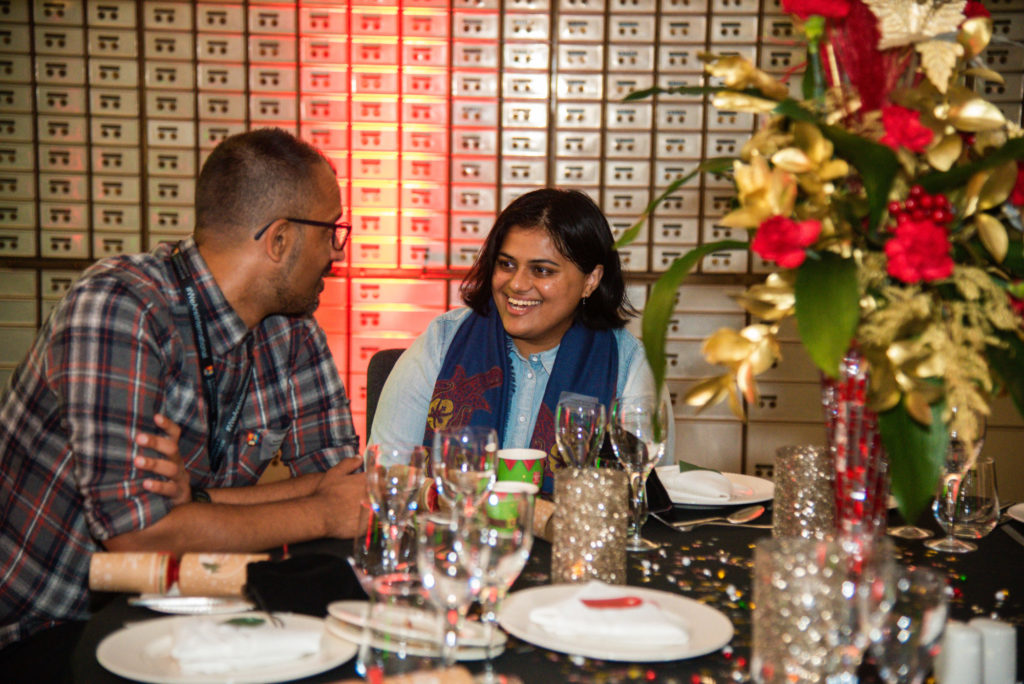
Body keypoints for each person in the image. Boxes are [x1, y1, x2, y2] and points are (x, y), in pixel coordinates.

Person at [0, 128, 365, 674]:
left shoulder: (293, 332)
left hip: (194, 613)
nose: (337, 252)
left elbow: (346, 482)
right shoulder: (120, 307)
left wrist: (196, 504)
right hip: (43, 627)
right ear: (280, 240)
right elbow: (137, 537)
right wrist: (320, 510)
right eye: (332, 231)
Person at [369, 188, 673, 486]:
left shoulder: (629, 365)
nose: (517, 284)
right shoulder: (443, 341)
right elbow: (384, 477)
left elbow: (643, 493)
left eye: (542, 270)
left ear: (590, 281)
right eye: (507, 264)